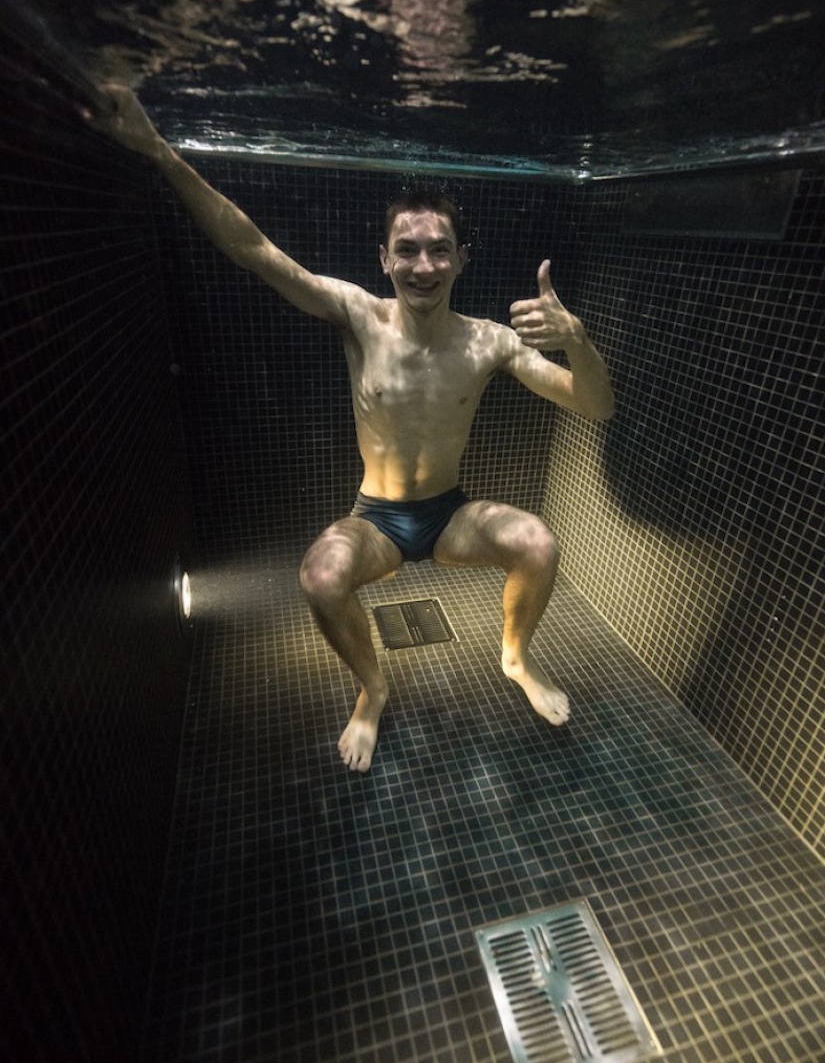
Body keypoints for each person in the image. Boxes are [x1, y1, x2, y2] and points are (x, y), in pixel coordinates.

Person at [91, 85, 615, 773]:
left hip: (449, 513)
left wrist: (575, 339)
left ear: (460, 260)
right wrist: (158, 150)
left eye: (438, 251)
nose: (422, 266)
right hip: (376, 518)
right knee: (321, 576)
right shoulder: (358, 315)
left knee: (538, 543)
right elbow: (251, 248)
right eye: (407, 250)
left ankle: (514, 657)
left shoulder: (490, 342)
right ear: (383, 258)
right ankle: (373, 689)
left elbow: (594, 405)